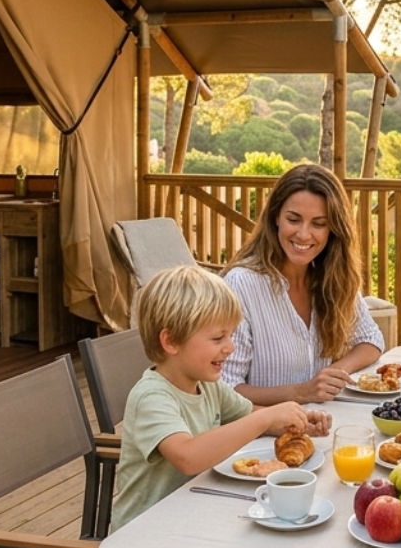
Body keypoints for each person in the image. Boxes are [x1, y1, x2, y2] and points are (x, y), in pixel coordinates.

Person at [111, 264, 332, 529]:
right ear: (171, 342)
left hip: (194, 514)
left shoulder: (207, 385)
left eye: (230, 335)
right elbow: (188, 457)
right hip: (146, 533)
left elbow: (250, 415)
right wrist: (264, 419)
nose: (230, 347)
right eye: (218, 338)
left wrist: (296, 422)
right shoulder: (152, 397)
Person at [220, 164, 385, 405]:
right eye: (294, 219)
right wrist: (301, 393)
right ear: (276, 216)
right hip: (264, 435)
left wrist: (332, 374)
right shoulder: (241, 285)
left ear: (333, 229)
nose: (304, 235)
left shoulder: (332, 277)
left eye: (318, 224)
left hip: (323, 422)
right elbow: (224, 389)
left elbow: (371, 339)